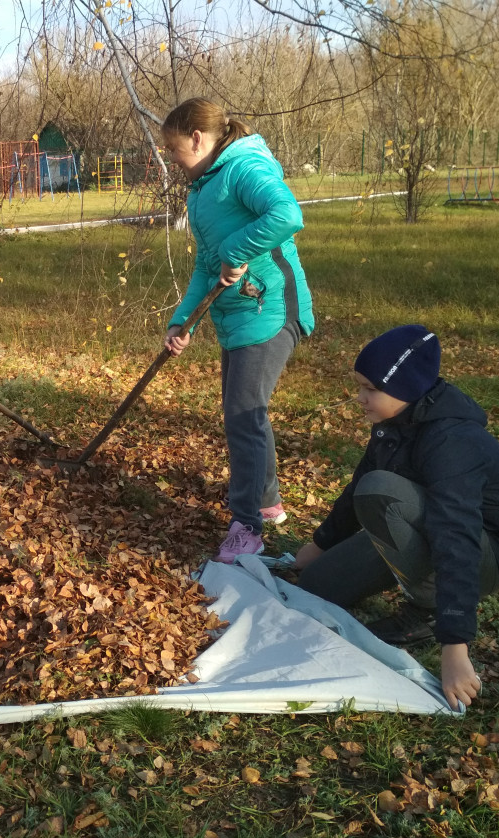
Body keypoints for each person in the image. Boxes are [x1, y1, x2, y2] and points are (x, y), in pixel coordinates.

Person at [294, 325, 499, 711]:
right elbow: (352, 492)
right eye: (359, 386)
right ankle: (412, 577)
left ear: (405, 389)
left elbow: (456, 533)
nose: (360, 398)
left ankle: (425, 610)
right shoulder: (393, 424)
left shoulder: (450, 440)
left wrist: (454, 646)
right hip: (430, 525)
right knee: (316, 584)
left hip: (489, 549)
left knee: (380, 489)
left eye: (371, 389)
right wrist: (319, 545)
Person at [161, 97, 314, 564]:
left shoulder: (243, 167)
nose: (172, 159)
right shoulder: (201, 189)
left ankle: (246, 527)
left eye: (174, 150)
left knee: (244, 418)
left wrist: (235, 248)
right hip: (236, 317)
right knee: (246, 415)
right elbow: (206, 269)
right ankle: (267, 504)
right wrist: (181, 322)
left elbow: (287, 215)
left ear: (197, 138)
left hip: (268, 308)